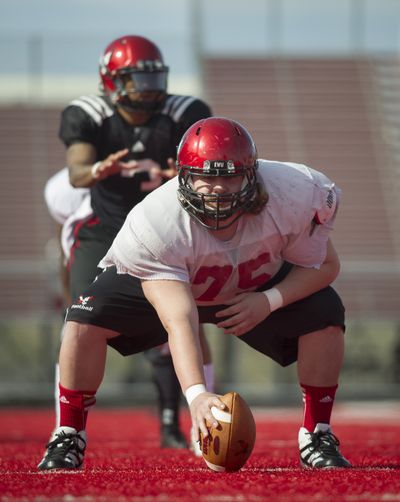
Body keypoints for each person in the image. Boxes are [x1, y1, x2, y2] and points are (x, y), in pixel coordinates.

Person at [38, 117, 351, 471]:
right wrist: (197, 394)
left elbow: (324, 267)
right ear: (183, 176)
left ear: (252, 173)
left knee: (326, 312)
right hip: (178, 286)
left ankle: (317, 433)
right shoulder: (156, 221)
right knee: (83, 317)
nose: (217, 188)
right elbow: (179, 319)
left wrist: (269, 300)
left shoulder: (293, 193)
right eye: (207, 177)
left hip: (252, 285)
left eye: (229, 176)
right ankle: (68, 432)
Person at [50, 34, 215, 449]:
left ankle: (202, 421)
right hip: (108, 230)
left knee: (191, 322)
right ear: (111, 81)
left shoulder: (184, 112)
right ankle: (68, 432)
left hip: (169, 231)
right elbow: (77, 172)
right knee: (80, 321)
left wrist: (182, 174)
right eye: (136, 80)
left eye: (153, 78)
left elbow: (202, 163)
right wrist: (98, 169)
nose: (148, 88)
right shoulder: (88, 115)